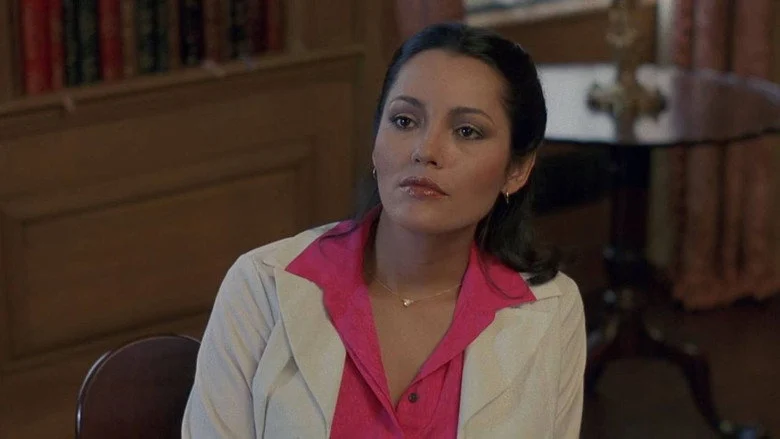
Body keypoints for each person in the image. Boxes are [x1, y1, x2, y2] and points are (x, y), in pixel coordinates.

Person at [182, 22, 586, 438]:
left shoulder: (553, 308)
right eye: (405, 121)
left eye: (467, 131)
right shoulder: (261, 285)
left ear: (517, 170)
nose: (425, 151)